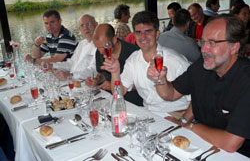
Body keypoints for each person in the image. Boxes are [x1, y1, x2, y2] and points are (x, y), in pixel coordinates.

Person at [147, 14, 250, 157]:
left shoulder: (245, 81)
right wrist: (160, 79)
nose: (204, 49)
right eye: (203, 41)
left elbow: (230, 143)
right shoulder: (201, 67)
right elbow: (169, 94)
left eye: (212, 43)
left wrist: (190, 126)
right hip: (203, 144)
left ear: (234, 47)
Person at [101, 11, 191, 116]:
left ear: (157, 34)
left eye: (148, 31)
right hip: (149, 113)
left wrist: (184, 120)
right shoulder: (133, 59)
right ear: (134, 35)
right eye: (138, 32)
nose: (143, 37)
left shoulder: (176, 60)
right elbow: (118, 93)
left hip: (176, 113)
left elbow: (198, 97)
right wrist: (115, 73)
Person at [85, 23, 143, 106]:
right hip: (108, 98)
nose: (101, 52)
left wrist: (113, 84)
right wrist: (97, 80)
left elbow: (142, 84)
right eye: (97, 47)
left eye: (104, 46)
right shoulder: (100, 52)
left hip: (131, 102)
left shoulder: (133, 53)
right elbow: (102, 74)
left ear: (114, 40)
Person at [53, 14, 98, 81]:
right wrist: (52, 65)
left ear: (96, 24)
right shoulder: (82, 44)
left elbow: (93, 70)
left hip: (85, 82)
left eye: (88, 24)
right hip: (72, 80)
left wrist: (70, 75)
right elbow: (71, 63)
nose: (85, 28)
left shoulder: (99, 46)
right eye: (82, 25)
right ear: (79, 29)